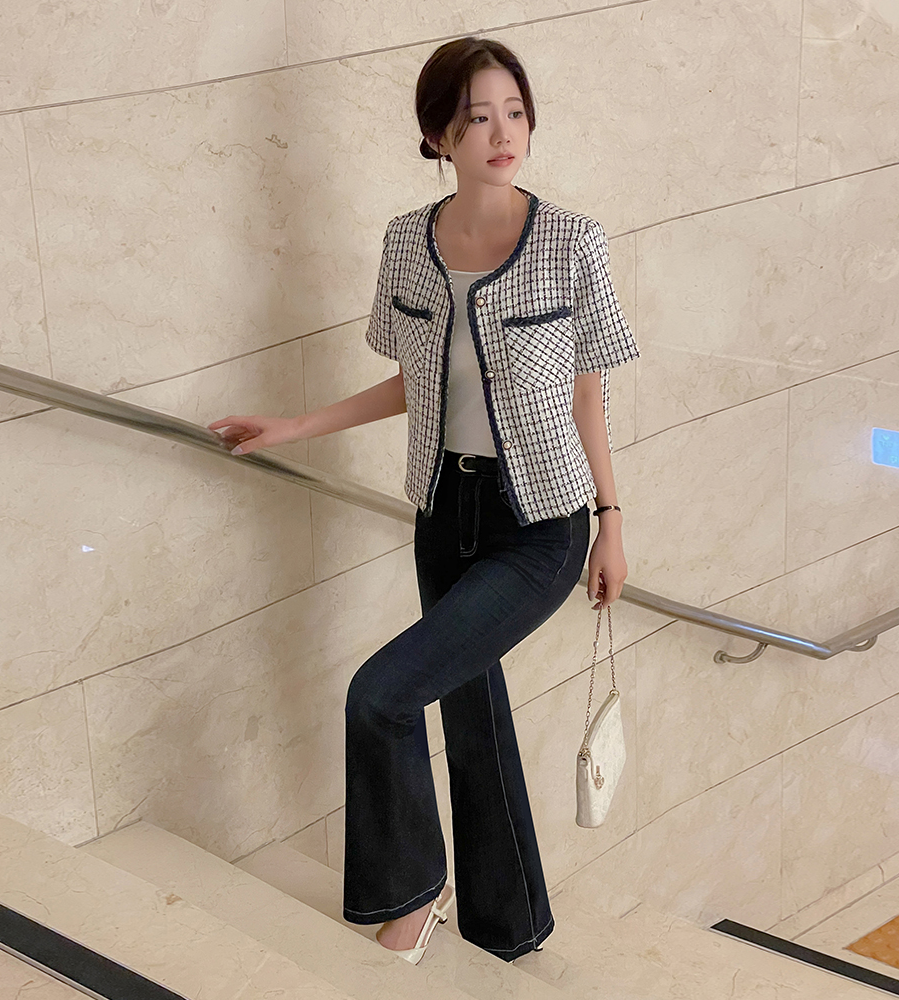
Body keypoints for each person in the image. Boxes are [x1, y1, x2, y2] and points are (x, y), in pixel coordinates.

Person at [208, 36, 639, 966]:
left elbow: (587, 393)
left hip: (542, 526)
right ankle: (510, 927)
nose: (503, 133)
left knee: (382, 696)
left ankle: (412, 895)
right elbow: (417, 380)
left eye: (515, 112)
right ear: (440, 133)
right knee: (468, 715)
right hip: (445, 513)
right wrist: (296, 425)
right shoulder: (409, 242)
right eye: (478, 117)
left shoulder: (572, 241)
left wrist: (611, 522)